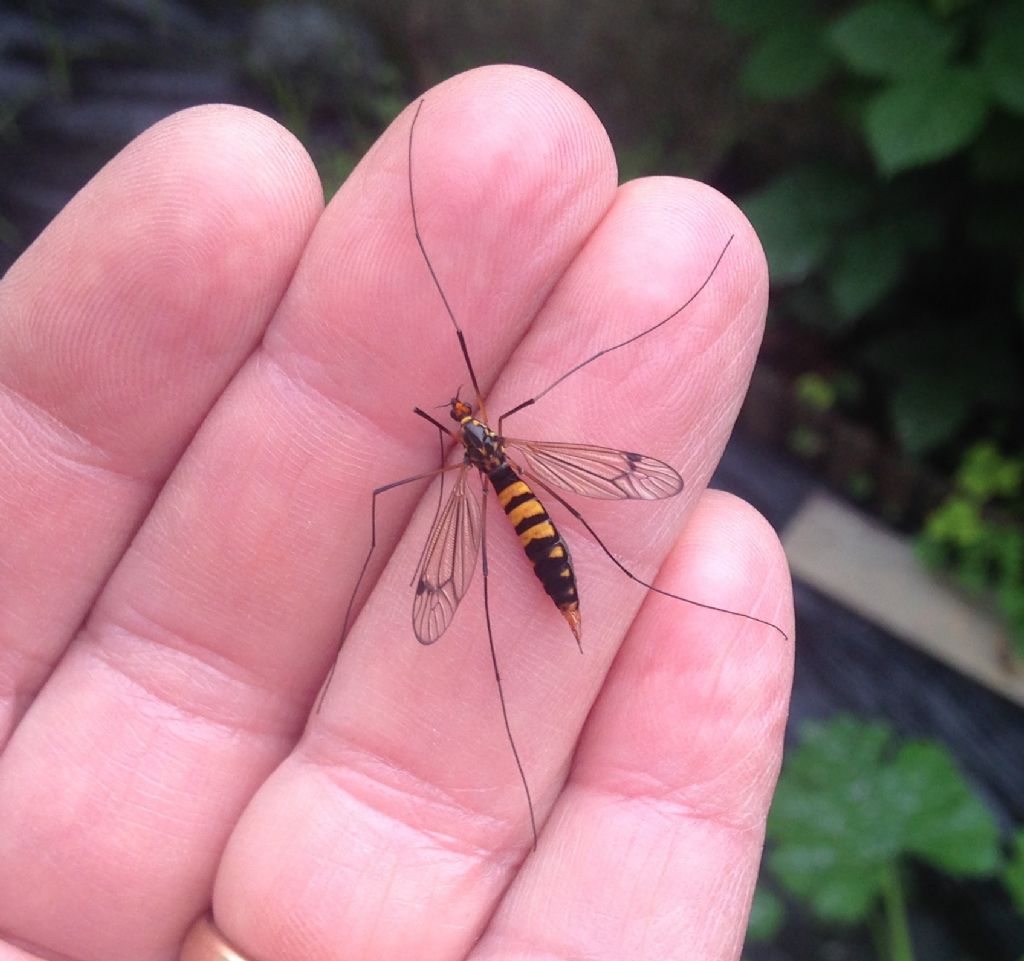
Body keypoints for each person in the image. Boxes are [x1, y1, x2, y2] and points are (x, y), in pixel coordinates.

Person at [0, 65, 793, 961]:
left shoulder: (471, 453)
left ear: (468, 425)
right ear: (476, 426)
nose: (463, 413)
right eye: (466, 418)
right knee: (522, 562)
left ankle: (632, 596)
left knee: (566, 543)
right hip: (507, 489)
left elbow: (531, 460)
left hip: (507, 488)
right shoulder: (490, 446)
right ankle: (577, 619)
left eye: (465, 416)